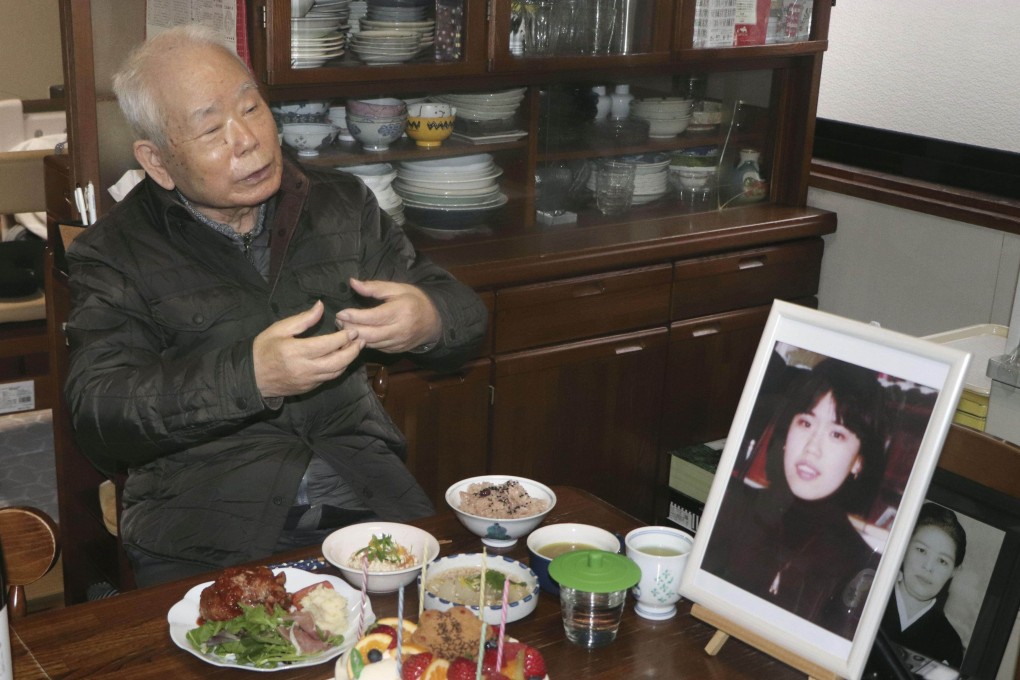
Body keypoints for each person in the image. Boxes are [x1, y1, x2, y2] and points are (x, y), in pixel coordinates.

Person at [63, 25, 487, 587]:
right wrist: (251, 376)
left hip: (365, 497)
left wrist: (427, 319)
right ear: (158, 161)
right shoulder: (113, 252)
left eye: (252, 108)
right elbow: (99, 414)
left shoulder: (342, 206)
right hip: (206, 525)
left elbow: (467, 317)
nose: (248, 140)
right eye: (212, 129)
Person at [701, 356, 889, 637]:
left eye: (837, 434)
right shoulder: (731, 509)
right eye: (805, 423)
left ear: (859, 461)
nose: (812, 448)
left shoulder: (859, 563)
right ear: (787, 435)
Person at [880, 502, 967, 667]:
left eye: (942, 561)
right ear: (904, 547)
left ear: (954, 571)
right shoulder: (865, 599)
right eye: (921, 550)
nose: (928, 567)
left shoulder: (950, 643)